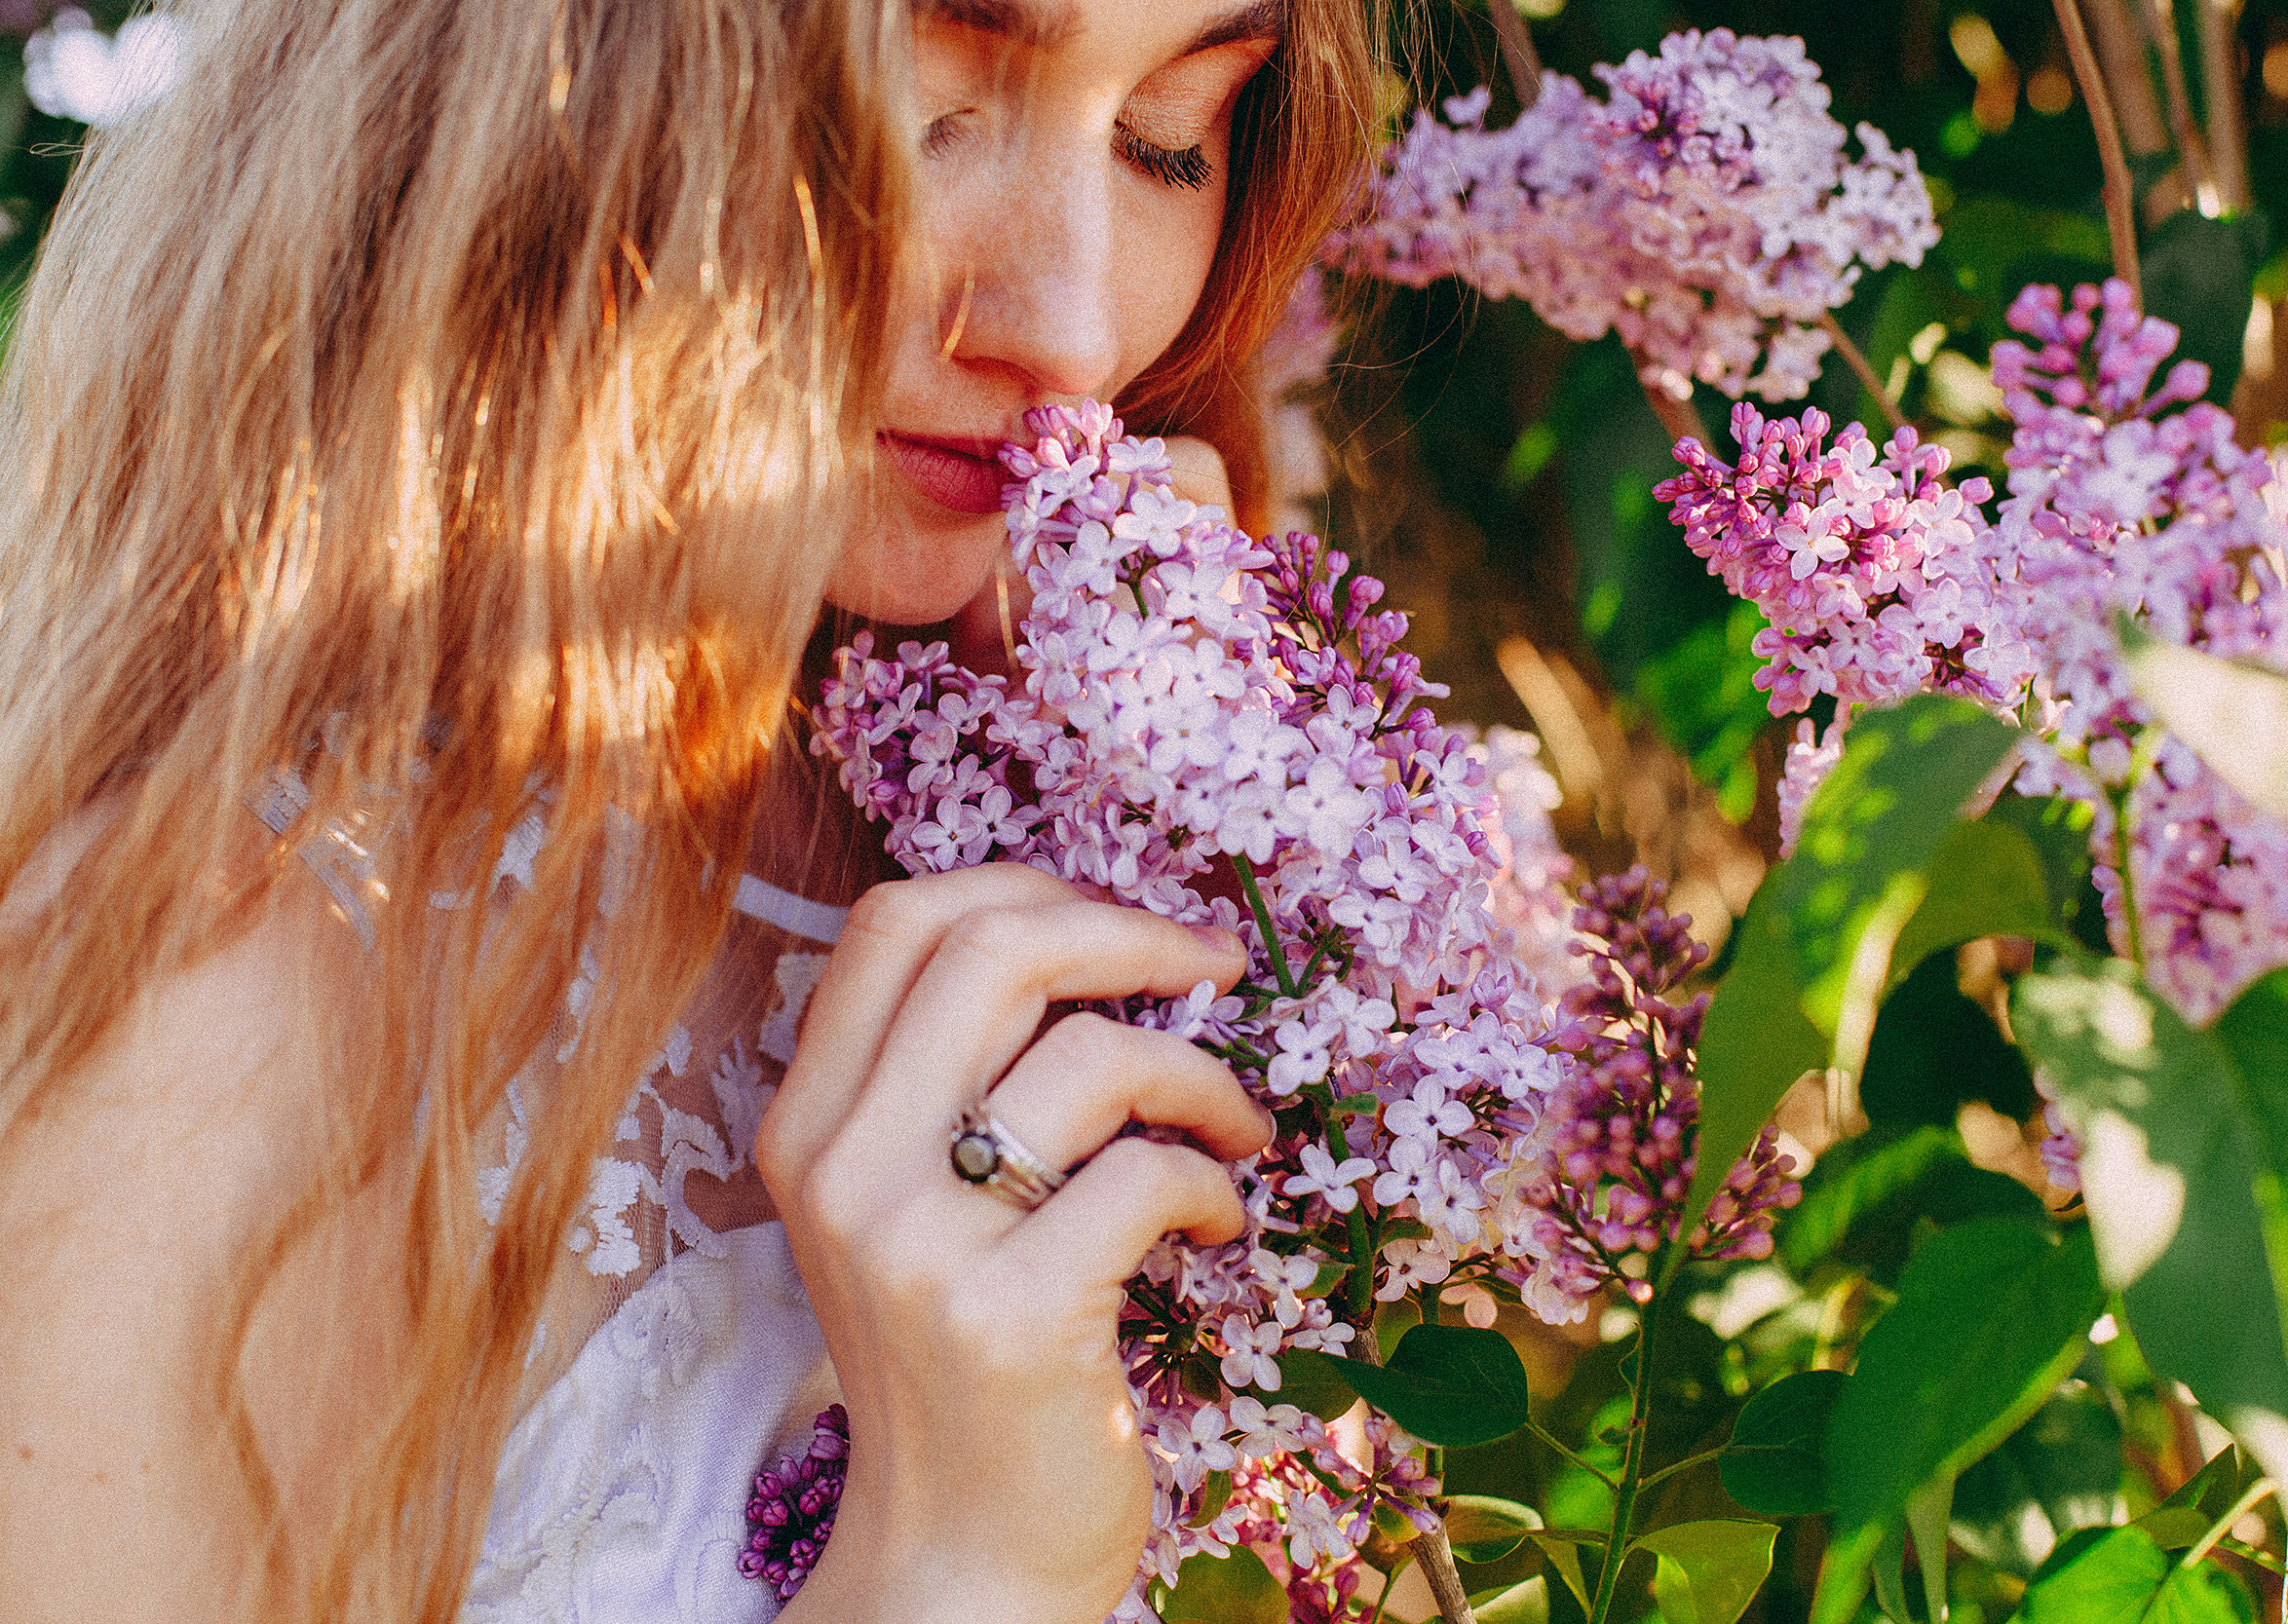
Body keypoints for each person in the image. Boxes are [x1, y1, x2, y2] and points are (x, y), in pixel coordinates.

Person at [0, 1, 1379, 1621]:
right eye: (921, 100)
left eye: (1170, 137)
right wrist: (950, 1572)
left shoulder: (1145, 850)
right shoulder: (197, 982)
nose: (1074, 332)